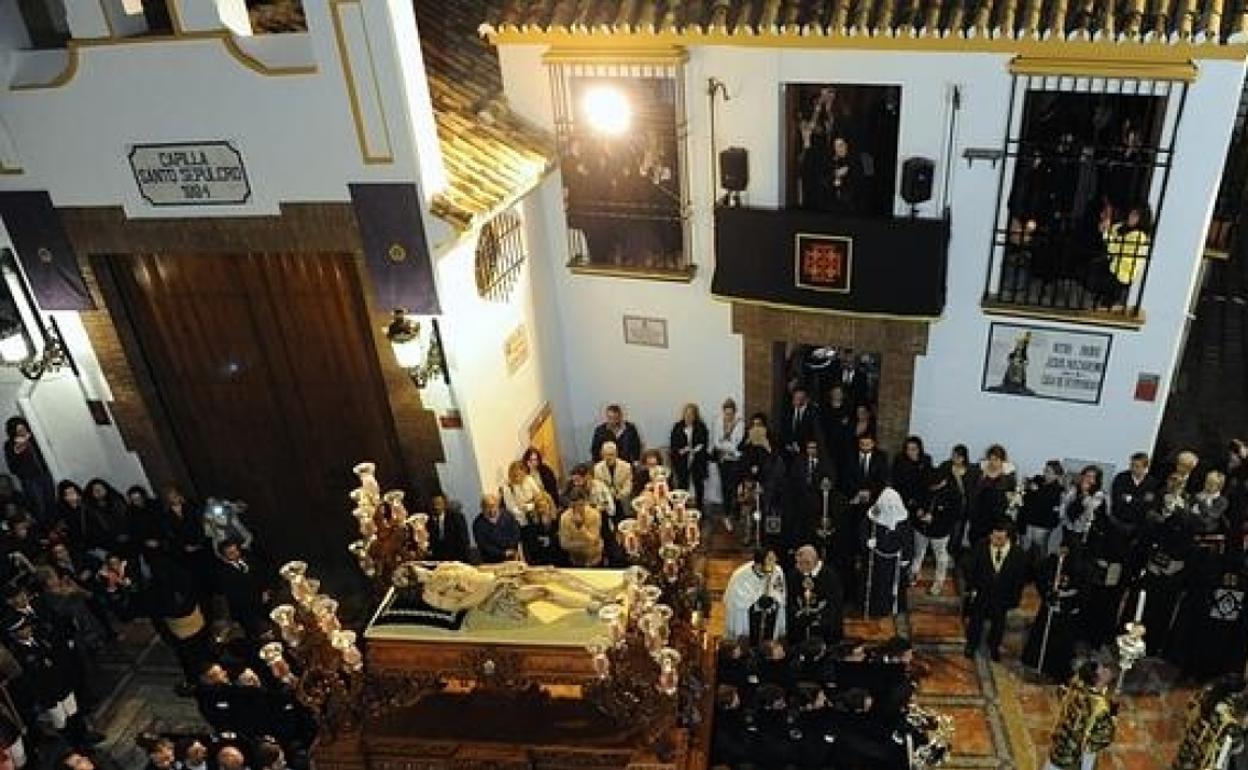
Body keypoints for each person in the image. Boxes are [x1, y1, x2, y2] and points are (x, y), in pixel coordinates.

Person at [963, 520, 1027, 660]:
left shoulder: (1018, 554)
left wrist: (1014, 598)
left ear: (1008, 538)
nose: (994, 540)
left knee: (998, 624)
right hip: (982, 593)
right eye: (993, 536)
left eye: (999, 538)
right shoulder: (981, 546)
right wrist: (972, 587)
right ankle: (971, 645)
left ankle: (994, 646)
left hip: (1002, 596)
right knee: (976, 621)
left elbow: (1019, 579)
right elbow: (970, 568)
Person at [1021, 546, 1085, 680]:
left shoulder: (1080, 566)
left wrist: (1069, 601)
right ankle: (1036, 662)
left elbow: (1083, 589)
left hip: (1066, 612)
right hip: (1050, 608)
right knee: (1042, 635)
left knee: (1061, 642)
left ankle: (1055, 669)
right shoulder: (1050, 562)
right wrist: (1047, 593)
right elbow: (1040, 577)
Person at [1043, 659, 1118, 770]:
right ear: (1097, 680)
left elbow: (1062, 694)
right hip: (1078, 750)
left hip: (1061, 739)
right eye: (1103, 672)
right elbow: (1104, 736)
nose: (1106, 671)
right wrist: (1113, 715)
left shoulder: (1077, 684)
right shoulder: (1099, 706)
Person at [861, 488, 913, 618]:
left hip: (894, 562)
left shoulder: (902, 519)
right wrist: (867, 542)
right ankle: (875, 609)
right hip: (877, 561)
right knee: (876, 586)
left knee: (893, 586)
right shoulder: (873, 516)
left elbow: (907, 539)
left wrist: (906, 557)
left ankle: (892, 607)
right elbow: (863, 530)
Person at [723, 549, 787, 644]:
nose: (774, 563)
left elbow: (780, 594)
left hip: (769, 618)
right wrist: (757, 603)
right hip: (748, 620)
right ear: (759, 564)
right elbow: (737, 602)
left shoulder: (777, 571)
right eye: (770, 560)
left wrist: (773, 599)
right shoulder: (740, 576)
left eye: (774, 559)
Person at [2, 417, 55, 528]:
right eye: (19, 430)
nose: (22, 432)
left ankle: (54, 527)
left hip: (45, 474)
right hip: (30, 480)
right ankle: (44, 529)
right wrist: (17, 452)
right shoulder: (9, 445)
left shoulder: (35, 436)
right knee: (39, 506)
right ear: (13, 432)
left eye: (23, 428)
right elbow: (12, 468)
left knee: (51, 501)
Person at [912, 470, 958, 595]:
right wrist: (919, 510)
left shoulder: (953, 494)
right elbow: (917, 500)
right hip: (921, 528)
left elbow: (953, 517)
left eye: (934, 485)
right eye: (930, 486)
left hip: (940, 532)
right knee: (918, 553)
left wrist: (935, 519)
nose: (931, 488)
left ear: (943, 481)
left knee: (941, 558)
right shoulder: (925, 485)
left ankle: (938, 583)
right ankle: (914, 575)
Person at [788, 544, 843, 643]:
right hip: (801, 626)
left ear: (813, 561)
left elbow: (834, 603)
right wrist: (798, 614)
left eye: (804, 563)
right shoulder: (794, 575)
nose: (799, 566)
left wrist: (818, 617)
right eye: (798, 563)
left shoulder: (829, 576)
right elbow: (791, 599)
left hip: (824, 627)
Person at [215, 539, 269, 642]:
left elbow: (261, 573)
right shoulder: (224, 575)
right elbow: (238, 598)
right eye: (231, 553)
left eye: (236, 550)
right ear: (224, 557)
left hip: (264, 596)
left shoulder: (247, 557)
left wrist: (265, 590)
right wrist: (260, 598)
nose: (236, 554)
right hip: (249, 609)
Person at [967, 445, 1017, 547]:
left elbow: (1011, 499)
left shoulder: (1008, 477)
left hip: (997, 519)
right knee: (976, 545)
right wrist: (982, 478)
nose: (992, 462)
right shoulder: (979, 473)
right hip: (979, 517)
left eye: (996, 459)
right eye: (990, 459)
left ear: (1002, 460)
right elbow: (973, 493)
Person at [938, 444, 979, 555]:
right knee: (945, 531)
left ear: (964, 457)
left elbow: (972, 489)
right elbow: (940, 483)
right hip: (948, 505)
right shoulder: (946, 466)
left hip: (963, 507)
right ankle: (942, 553)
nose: (955, 459)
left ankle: (952, 553)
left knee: (958, 532)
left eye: (958, 456)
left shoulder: (971, 470)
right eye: (954, 455)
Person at [711, 399, 745, 532]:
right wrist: (726, 445)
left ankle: (735, 514)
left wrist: (726, 445)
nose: (728, 416)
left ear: (735, 412)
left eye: (731, 414)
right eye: (726, 413)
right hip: (723, 460)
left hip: (735, 460)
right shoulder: (718, 422)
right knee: (725, 487)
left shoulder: (740, 423)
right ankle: (726, 515)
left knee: (735, 487)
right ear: (723, 412)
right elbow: (716, 443)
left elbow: (737, 444)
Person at [1020, 461, 1065, 557]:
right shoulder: (1038, 480)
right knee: (1025, 550)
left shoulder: (1058, 489)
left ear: (1056, 475)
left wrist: (1036, 492)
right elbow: (1026, 496)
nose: (1045, 473)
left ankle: (1040, 571)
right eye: (1045, 470)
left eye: (1049, 472)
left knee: (1039, 552)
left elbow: (1046, 504)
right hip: (1029, 521)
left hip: (1043, 525)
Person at [669, 403, 709, 506]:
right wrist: (683, 450)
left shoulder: (701, 426)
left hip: (697, 461)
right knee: (682, 485)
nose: (689, 417)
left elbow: (704, 443)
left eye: (691, 414)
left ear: (695, 415)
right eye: (687, 414)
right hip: (682, 461)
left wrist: (695, 449)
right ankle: (682, 507)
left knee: (699, 485)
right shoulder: (677, 427)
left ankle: (700, 508)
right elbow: (673, 445)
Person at [891, 436, 932, 520]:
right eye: (908, 449)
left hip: (920, 498)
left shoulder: (926, 460)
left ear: (919, 449)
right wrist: (909, 500)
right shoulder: (900, 460)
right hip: (903, 497)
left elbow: (926, 484)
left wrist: (920, 506)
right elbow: (897, 482)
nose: (910, 452)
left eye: (913, 449)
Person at [471, 493, 520, 563]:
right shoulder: (478, 524)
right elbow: (484, 545)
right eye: (487, 507)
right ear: (482, 508)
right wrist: (503, 553)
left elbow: (516, 533)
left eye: (493, 506)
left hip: (513, 556)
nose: (491, 510)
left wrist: (511, 549)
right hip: (492, 560)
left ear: (497, 506)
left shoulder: (508, 516)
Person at [558, 492, 603, 567]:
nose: (578, 508)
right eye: (574, 506)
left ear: (585, 503)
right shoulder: (564, 518)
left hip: (594, 558)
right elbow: (564, 544)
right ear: (571, 505)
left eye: (581, 505)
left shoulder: (594, 515)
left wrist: (581, 527)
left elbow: (593, 540)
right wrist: (585, 544)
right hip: (575, 559)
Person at [519, 492, 563, 567]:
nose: (542, 509)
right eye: (539, 507)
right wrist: (541, 539)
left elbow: (560, 538)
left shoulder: (558, 518)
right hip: (539, 556)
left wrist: (549, 540)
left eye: (544, 506)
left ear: (549, 505)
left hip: (555, 555)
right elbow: (531, 541)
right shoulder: (532, 520)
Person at [427, 494, 470, 562]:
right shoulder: (428, 521)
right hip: (438, 560)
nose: (436, 507)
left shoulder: (456, 518)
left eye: (438, 504)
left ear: (445, 504)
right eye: (433, 504)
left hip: (457, 557)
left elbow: (463, 540)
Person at [593, 441, 633, 512]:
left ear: (616, 454)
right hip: (605, 499)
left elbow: (628, 486)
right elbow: (599, 487)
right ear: (602, 455)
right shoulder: (597, 468)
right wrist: (608, 496)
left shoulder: (626, 466)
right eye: (606, 455)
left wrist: (619, 495)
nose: (609, 457)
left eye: (611, 454)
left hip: (622, 498)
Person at [501, 461, 542, 526]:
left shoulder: (529, 480)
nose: (517, 477)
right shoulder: (507, 488)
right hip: (520, 519)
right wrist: (523, 512)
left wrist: (529, 507)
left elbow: (539, 496)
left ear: (524, 472)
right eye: (514, 475)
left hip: (535, 513)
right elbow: (510, 507)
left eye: (519, 473)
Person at [782, 387, 821, 456]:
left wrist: (802, 447)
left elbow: (816, 433)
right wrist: (788, 444)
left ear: (805, 399)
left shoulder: (813, 413)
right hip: (789, 453)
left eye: (800, 398)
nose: (797, 400)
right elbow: (784, 430)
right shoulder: (788, 411)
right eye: (795, 398)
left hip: (806, 453)